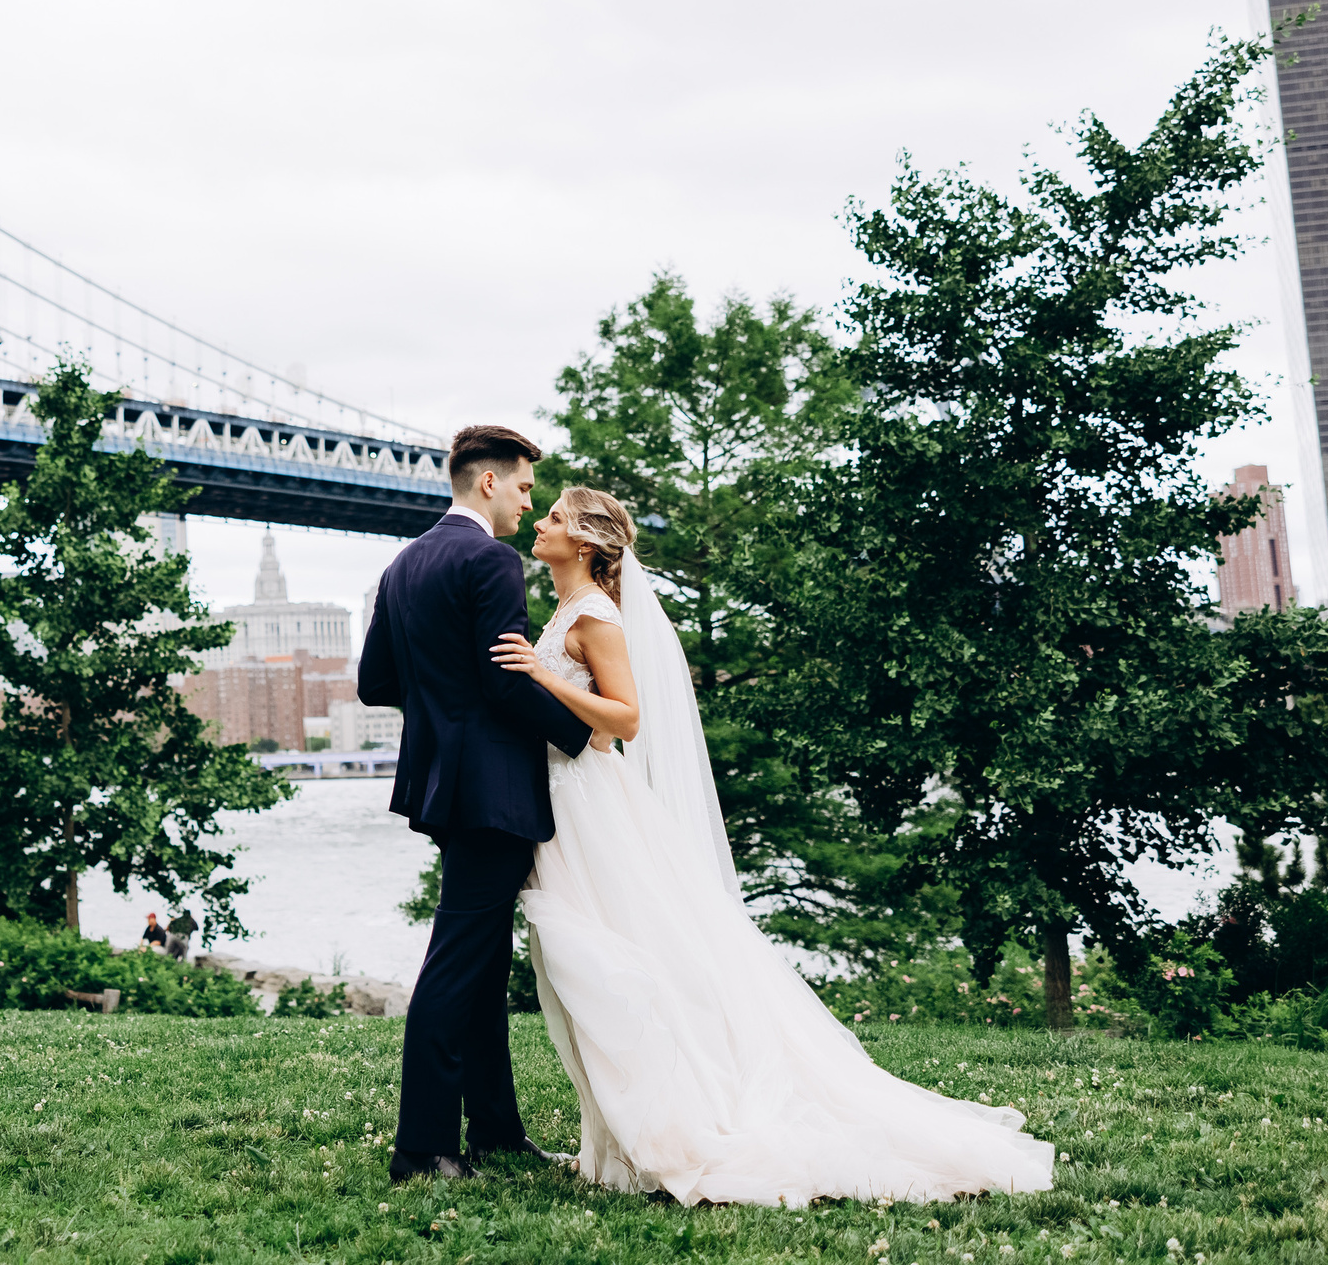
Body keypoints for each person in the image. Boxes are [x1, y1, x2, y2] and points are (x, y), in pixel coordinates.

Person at [487, 484, 1053, 1206]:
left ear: (588, 542)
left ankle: (671, 1130)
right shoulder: (566, 608)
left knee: (606, 964)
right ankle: (619, 1140)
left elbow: (625, 720)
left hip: (591, 808)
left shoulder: (596, 614)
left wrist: (540, 675)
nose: (540, 522)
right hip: (568, 801)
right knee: (585, 966)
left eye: (557, 517)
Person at [356, 425, 594, 1183]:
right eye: (524, 488)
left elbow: (375, 684)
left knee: (485, 963)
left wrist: (442, 700)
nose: (528, 504)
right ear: (488, 482)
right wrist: (584, 735)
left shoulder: (402, 564)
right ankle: (423, 1148)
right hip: (494, 788)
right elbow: (502, 681)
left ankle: (495, 1131)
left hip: (440, 785)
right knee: (458, 963)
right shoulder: (490, 559)